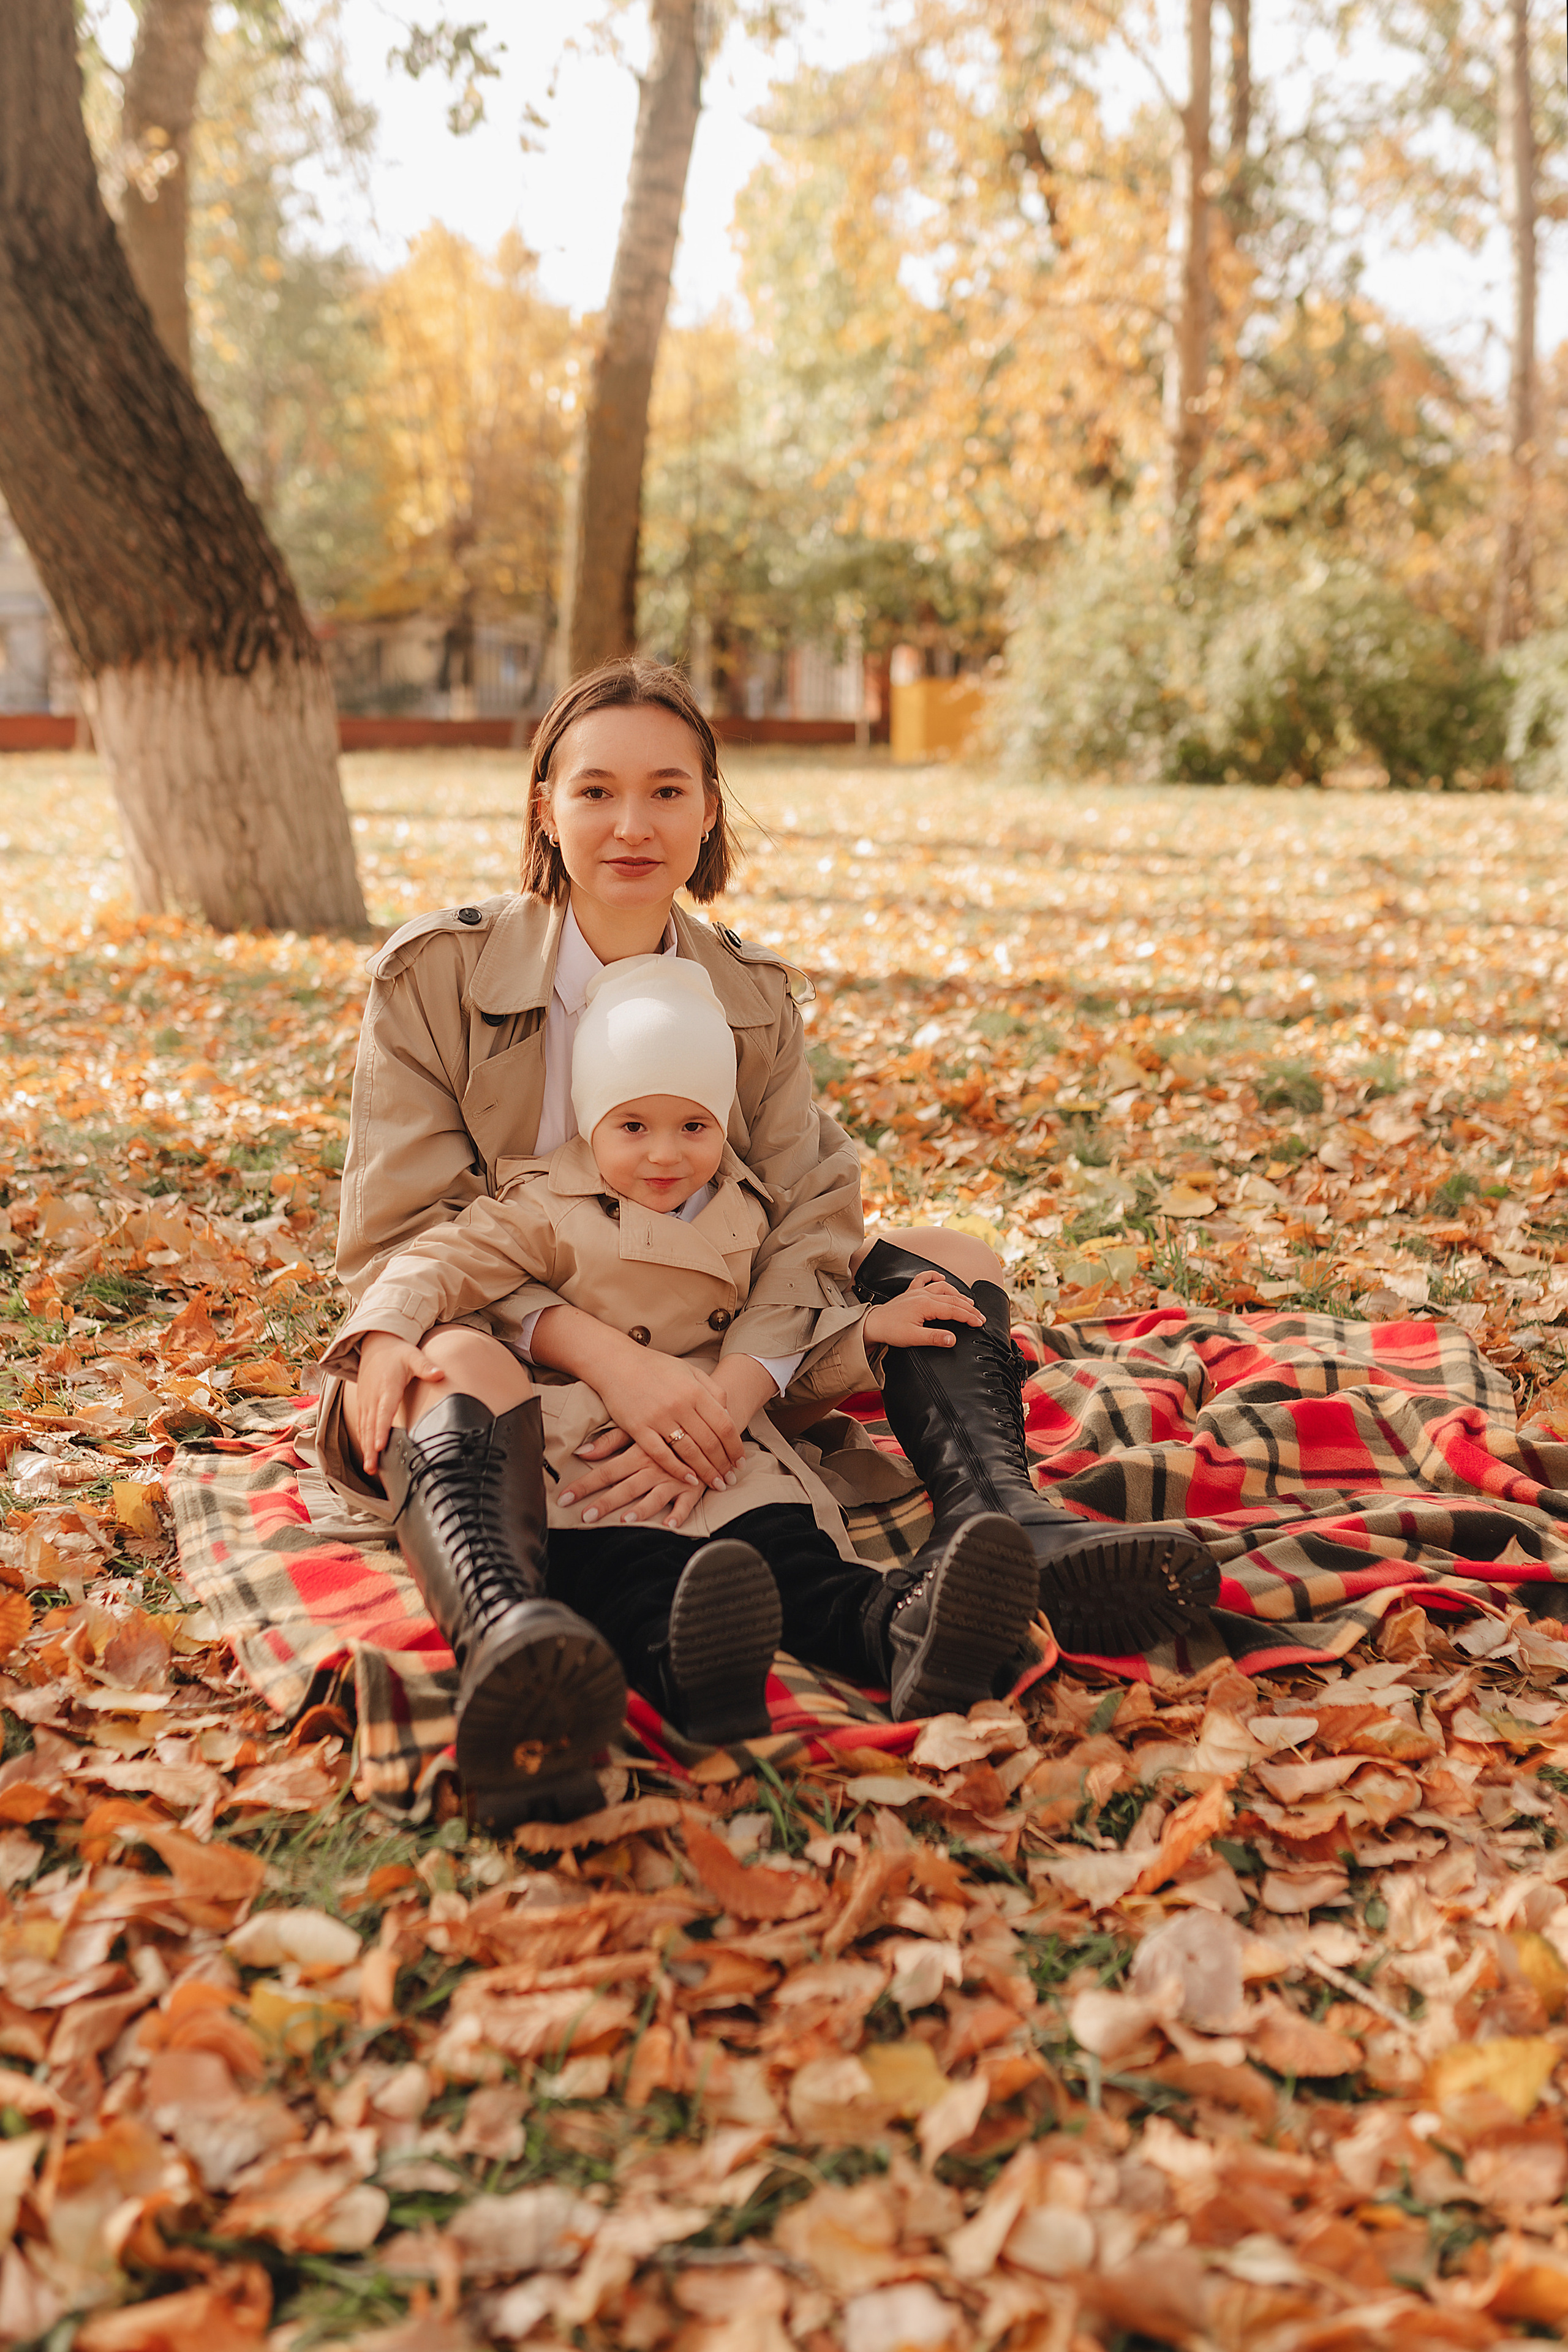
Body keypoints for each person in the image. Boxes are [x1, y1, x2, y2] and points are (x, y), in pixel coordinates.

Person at [309, 658, 1216, 1818]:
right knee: (459, 1359)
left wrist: (736, 1391)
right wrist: (601, 1354)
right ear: (545, 804)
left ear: (710, 807)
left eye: (667, 791)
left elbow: (810, 1221)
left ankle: (1008, 1525)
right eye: (595, 792)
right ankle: (513, 1628)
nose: (631, 825)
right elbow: (402, 1238)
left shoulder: (749, 995)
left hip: (709, 1334)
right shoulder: (437, 974)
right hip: (502, 1345)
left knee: (959, 1267)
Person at [318, 957, 1041, 1826]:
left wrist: (862, 1337)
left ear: (723, 1126)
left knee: (796, 1557)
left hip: (721, 1443)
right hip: (594, 1451)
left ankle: (906, 1634)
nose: (665, 1154)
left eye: (693, 1126)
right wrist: (388, 1326)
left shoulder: (744, 1208)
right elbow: (439, 1259)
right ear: (591, 1124)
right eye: (633, 1126)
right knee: (632, 1573)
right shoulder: (544, 1204)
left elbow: (782, 1342)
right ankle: (693, 1672)